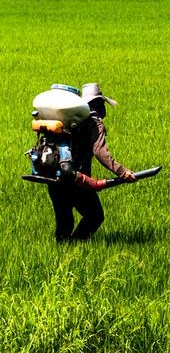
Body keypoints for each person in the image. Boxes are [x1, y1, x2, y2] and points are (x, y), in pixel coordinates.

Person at [48, 83, 137, 243]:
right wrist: (122, 171)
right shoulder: (94, 122)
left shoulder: (66, 119)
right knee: (95, 216)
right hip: (77, 179)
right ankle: (75, 248)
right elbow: (100, 152)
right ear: (99, 103)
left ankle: (61, 253)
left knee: (64, 222)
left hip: (54, 177)